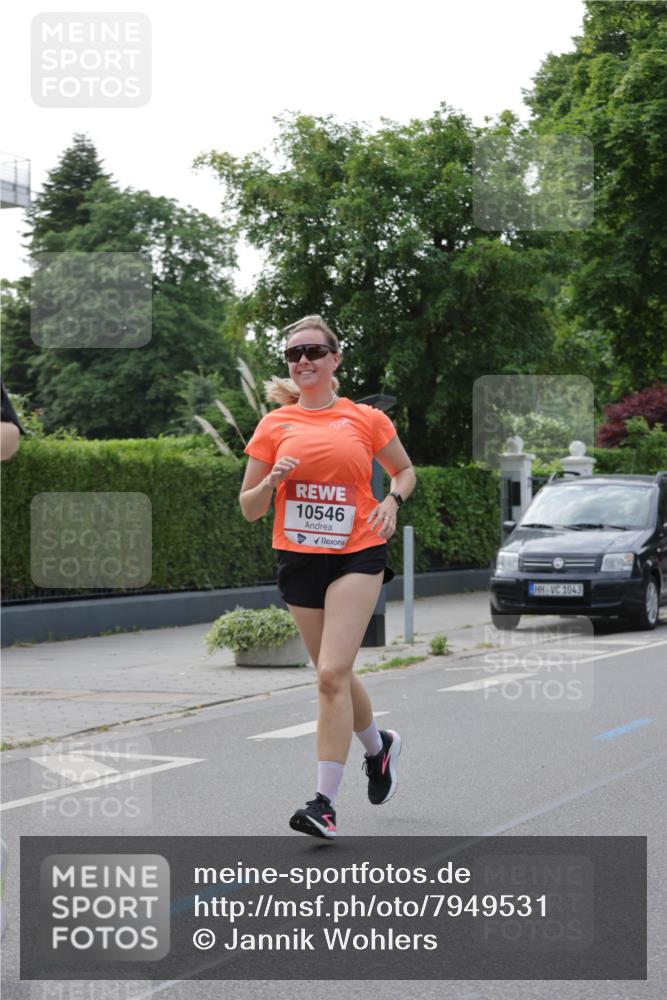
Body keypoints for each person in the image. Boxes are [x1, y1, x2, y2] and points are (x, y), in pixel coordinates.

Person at [239, 314, 417, 839]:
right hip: (297, 558)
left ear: (335, 359)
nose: (303, 361)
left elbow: (406, 470)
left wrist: (391, 500)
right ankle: (379, 748)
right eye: (294, 354)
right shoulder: (274, 425)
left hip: (357, 553)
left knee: (329, 675)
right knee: (332, 673)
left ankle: (324, 803)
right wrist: (272, 480)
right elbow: (249, 509)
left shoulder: (364, 419)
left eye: (314, 351)